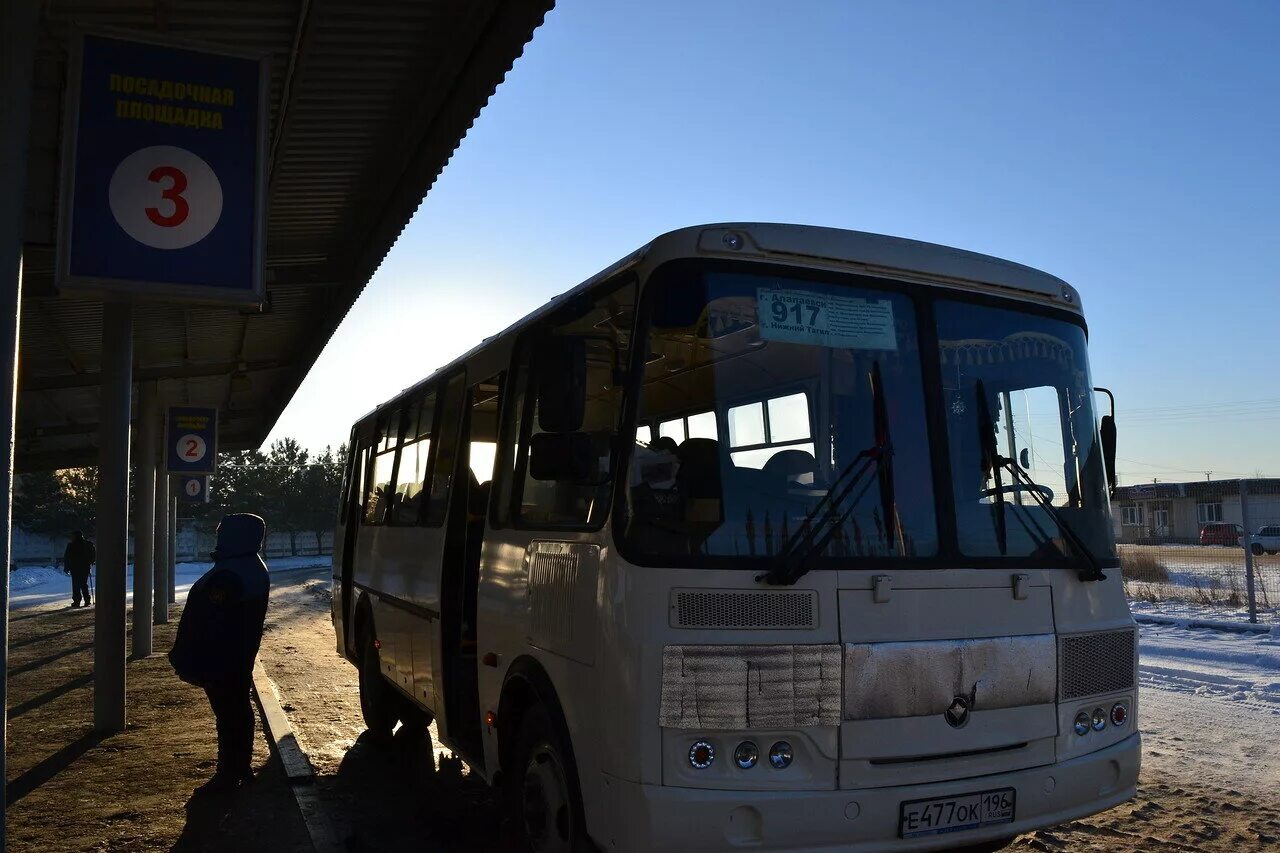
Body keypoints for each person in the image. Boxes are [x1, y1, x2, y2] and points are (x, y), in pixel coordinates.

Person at [168, 513, 271, 793]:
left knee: (230, 715)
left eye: (223, 533)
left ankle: (231, 772)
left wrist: (195, 659)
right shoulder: (245, 566)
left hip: (222, 660)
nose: (219, 538)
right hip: (231, 658)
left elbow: (214, 622)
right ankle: (236, 768)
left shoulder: (230, 575)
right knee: (234, 712)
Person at [63, 530, 95, 608]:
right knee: (84, 584)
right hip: (85, 567)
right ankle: (87, 600)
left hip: (75, 567)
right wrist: (91, 562)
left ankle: (77, 601)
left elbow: (67, 557)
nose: (71, 537)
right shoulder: (89, 544)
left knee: (76, 585)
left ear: (75, 536)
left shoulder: (71, 545)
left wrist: (66, 567)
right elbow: (94, 555)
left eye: (72, 536)